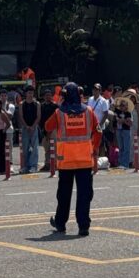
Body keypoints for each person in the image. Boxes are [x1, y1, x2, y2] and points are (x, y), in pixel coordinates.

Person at [47, 83, 102, 237]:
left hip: (66, 161)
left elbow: (47, 126)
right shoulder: (89, 111)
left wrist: (58, 106)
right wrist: (94, 147)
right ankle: (83, 226)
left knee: (64, 194)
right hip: (84, 160)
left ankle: (60, 223)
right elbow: (98, 131)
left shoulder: (59, 113)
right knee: (84, 194)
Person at [18, 88, 41, 174]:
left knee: (35, 147)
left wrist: (33, 127)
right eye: (29, 93)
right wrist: (27, 126)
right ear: (26, 94)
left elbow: (38, 116)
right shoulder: (21, 104)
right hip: (25, 127)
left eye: (32, 93)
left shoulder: (37, 103)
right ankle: (26, 166)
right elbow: (21, 116)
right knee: (25, 147)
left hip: (34, 127)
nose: (30, 94)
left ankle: (33, 166)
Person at [86, 84, 110, 157]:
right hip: (91, 126)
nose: (95, 91)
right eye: (94, 89)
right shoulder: (90, 99)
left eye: (97, 90)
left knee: (101, 144)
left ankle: (101, 160)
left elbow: (106, 114)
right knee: (92, 143)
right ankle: (93, 159)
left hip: (99, 126)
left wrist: (100, 124)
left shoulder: (103, 101)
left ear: (100, 91)